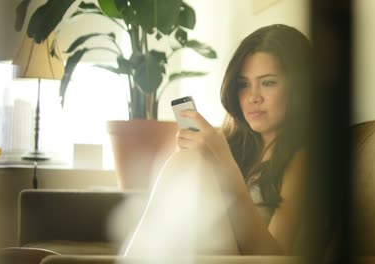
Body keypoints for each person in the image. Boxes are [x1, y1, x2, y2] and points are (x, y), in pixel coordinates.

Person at [121, 24, 312, 256]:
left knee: (190, 163)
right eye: (243, 84)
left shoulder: (303, 157)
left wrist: (223, 160)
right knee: (188, 161)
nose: (253, 97)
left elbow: (274, 257)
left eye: (268, 82)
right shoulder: (238, 142)